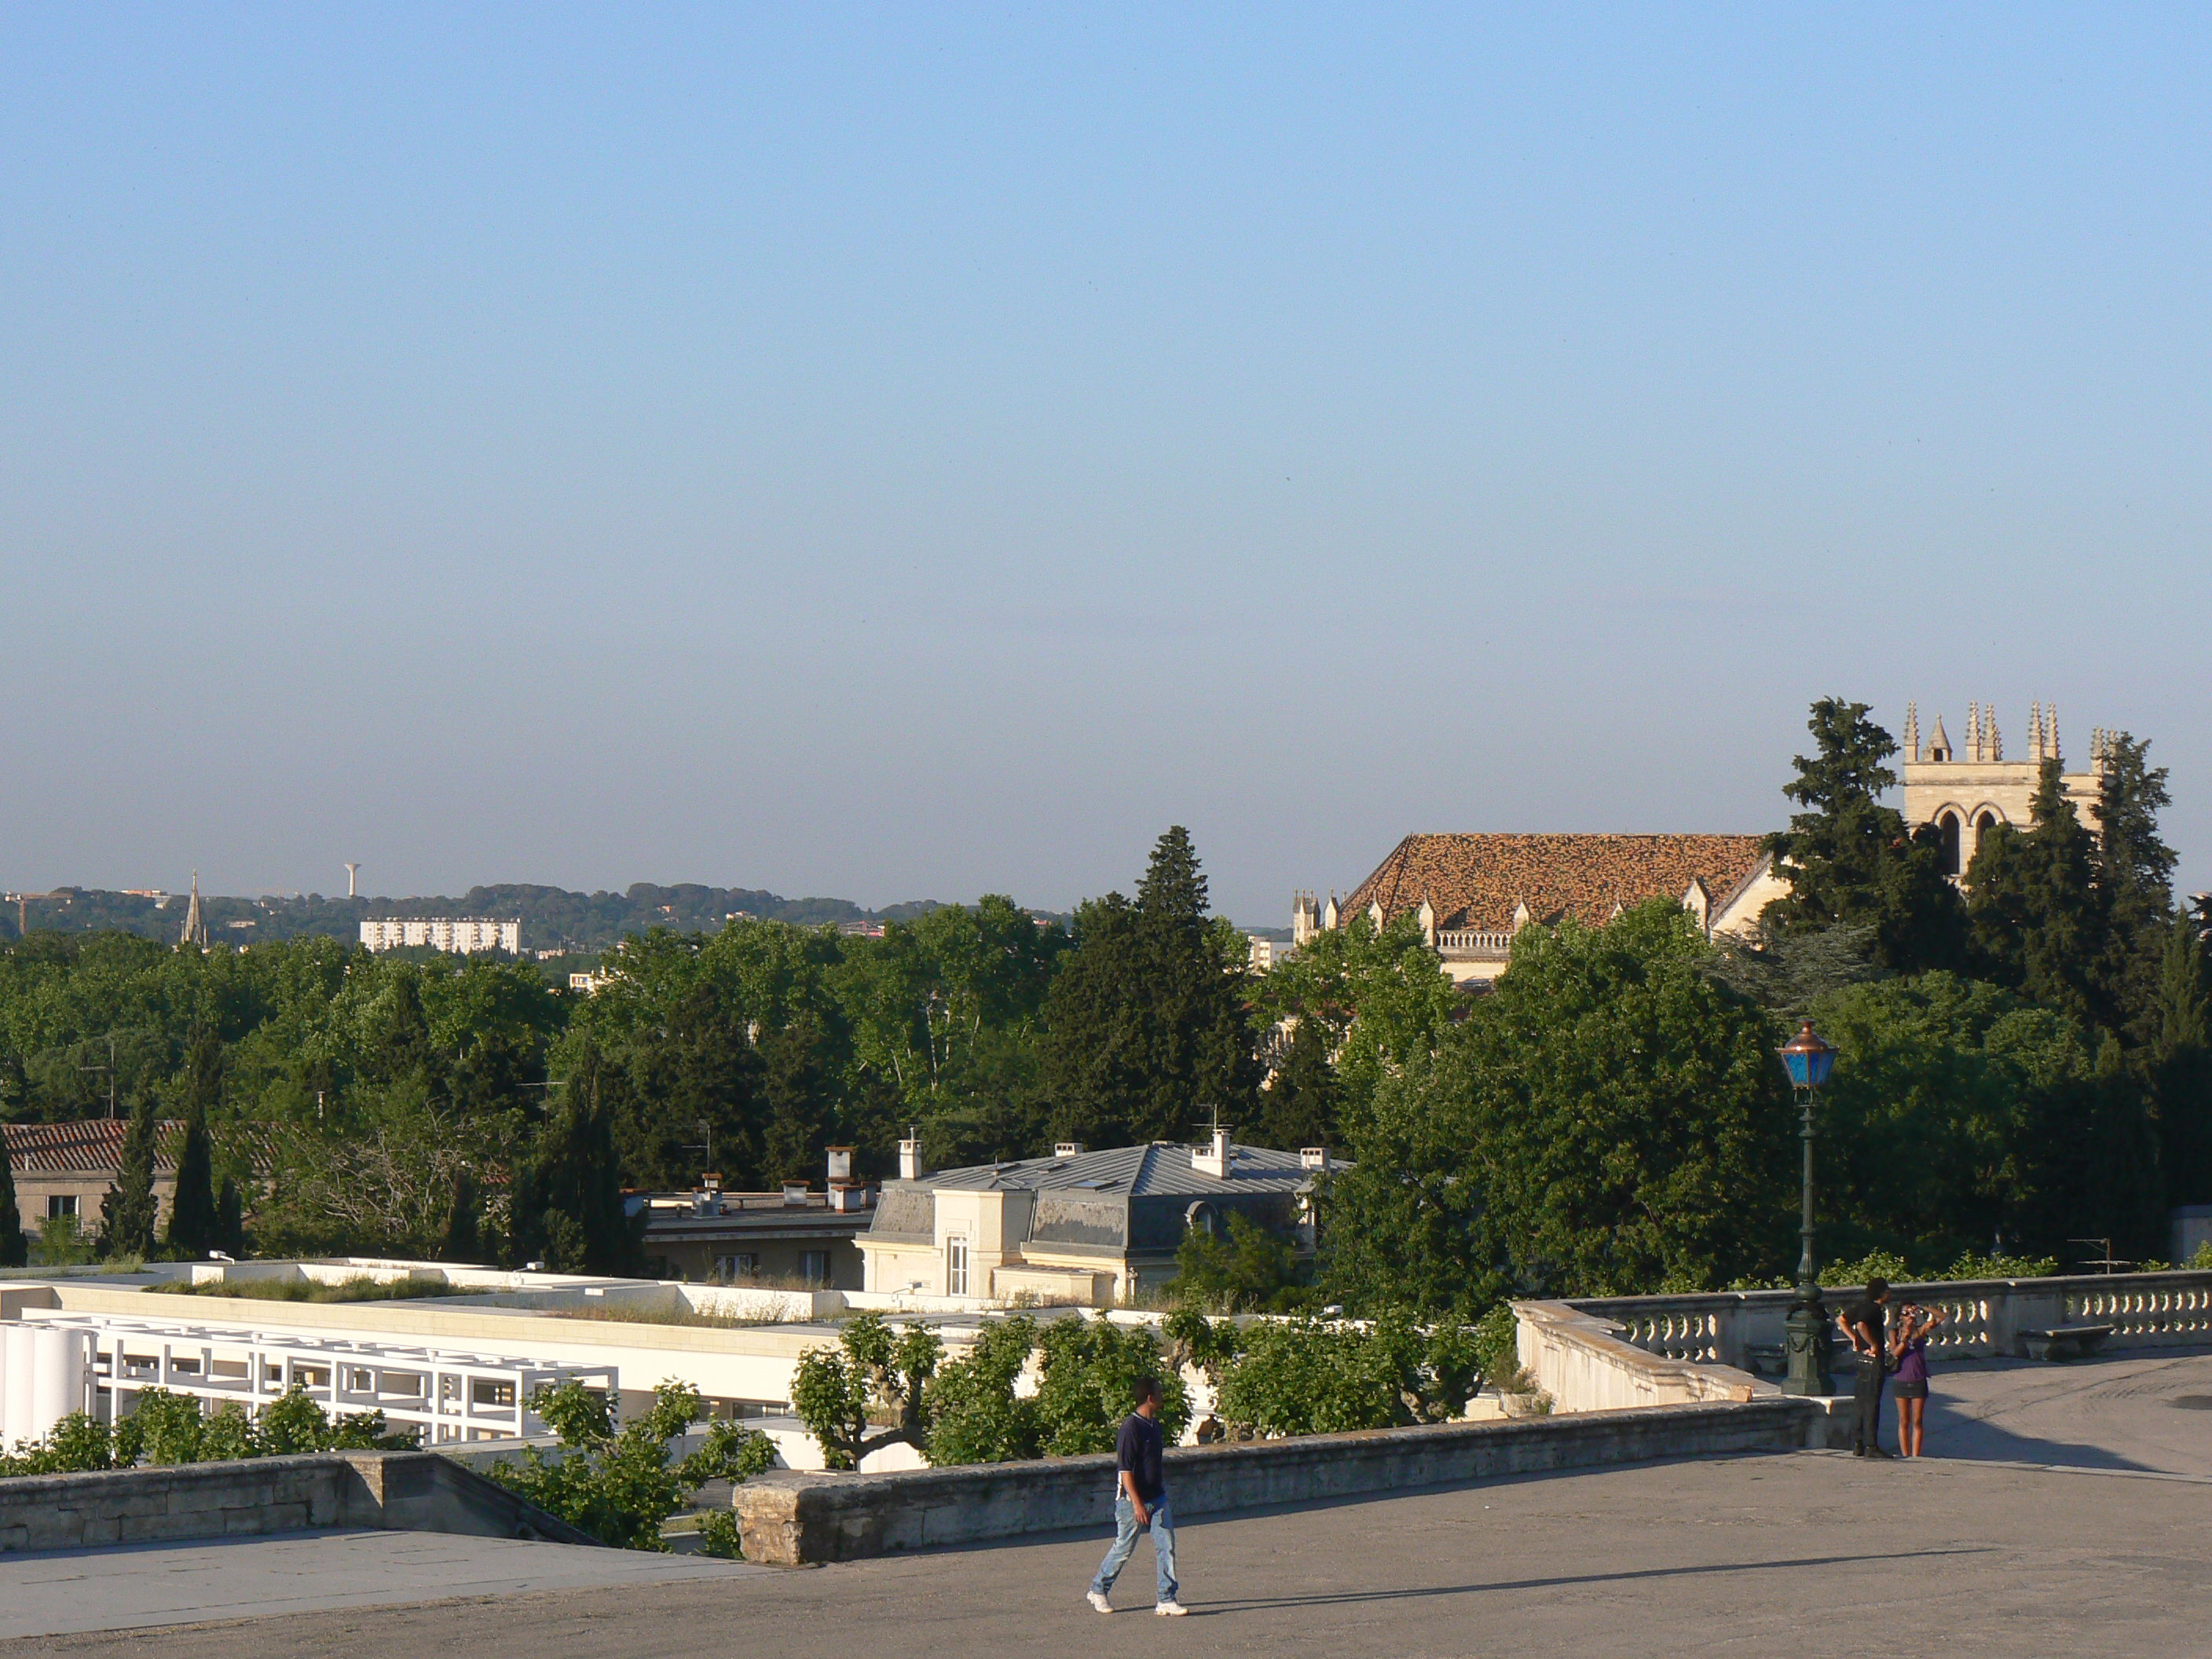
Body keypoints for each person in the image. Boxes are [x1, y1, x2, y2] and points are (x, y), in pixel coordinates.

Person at [1087, 1375, 1185, 1616]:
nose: (1163, 1397)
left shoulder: (1155, 1425)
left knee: (1167, 1546)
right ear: (1150, 1397)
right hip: (1132, 1501)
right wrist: (1138, 1504)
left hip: (1158, 1497)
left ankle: (1166, 1598)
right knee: (1124, 1548)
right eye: (1160, 1393)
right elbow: (1125, 1471)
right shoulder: (1131, 1428)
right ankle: (1098, 1589)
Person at [1837, 1277, 1893, 1458]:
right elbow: (1862, 1325)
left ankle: (1858, 1442)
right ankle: (1871, 1445)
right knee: (1872, 1402)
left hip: (1861, 1358)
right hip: (1873, 1358)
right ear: (1883, 1292)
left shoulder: (1862, 1305)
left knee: (1860, 1400)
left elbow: (1841, 1320)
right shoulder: (1874, 1309)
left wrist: (1855, 1340)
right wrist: (1873, 1344)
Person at [1889, 1302, 1947, 1458]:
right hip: (1901, 1379)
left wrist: (1923, 1308)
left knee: (1917, 1420)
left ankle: (1916, 1455)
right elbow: (1895, 1353)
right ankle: (1905, 1453)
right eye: (1906, 1313)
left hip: (1918, 1379)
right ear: (1900, 1316)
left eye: (1912, 1313)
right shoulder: (1894, 1332)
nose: (1910, 1316)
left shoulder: (1921, 1331)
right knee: (1903, 1420)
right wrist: (1905, 1338)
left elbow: (1942, 1316)